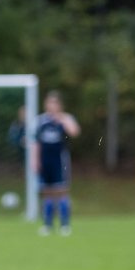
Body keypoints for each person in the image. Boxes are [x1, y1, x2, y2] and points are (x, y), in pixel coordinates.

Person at [35, 90, 80, 236]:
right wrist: (35, 160)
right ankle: (47, 224)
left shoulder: (65, 119)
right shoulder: (41, 120)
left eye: (55, 103)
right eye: (49, 102)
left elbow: (74, 132)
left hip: (60, 160)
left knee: (61, 191)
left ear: (60, 105)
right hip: (45, 160)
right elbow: (36, 142)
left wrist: (62, 119)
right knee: (47, 192)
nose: (52, 106)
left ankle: (65, 224)